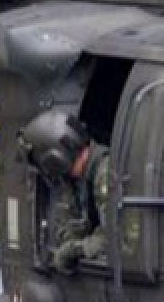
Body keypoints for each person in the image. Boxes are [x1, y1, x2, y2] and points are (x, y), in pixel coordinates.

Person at [21, 109, 111, 273]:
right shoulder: (83, 178)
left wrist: (76, 250)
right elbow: (74, 222)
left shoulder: (105, 174)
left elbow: (117, 238)